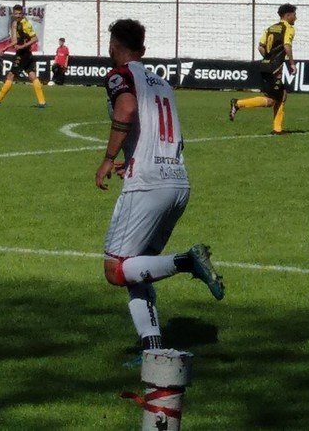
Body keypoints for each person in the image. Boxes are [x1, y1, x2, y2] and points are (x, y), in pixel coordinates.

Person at [95, 18, 224, 353]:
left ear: (112, 46)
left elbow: (125, 106)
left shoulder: (120, 75)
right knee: (139, 270)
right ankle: (152, 350)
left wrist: (109, 158)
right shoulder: (163, 84)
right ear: (144, 49)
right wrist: (132, 157)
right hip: (177, 182)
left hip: (148, 185)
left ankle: (186, 261)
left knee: (116, 269)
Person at [229, 3, 296, 135]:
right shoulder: (288, 28)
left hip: (265, 65)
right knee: (273, 100)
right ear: (287, 15)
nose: (295, 18)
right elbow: (287, 45)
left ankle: (277, 129)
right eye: (294, 15)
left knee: (281, 96)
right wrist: (292, 63)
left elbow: (260, 46)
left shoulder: (270, 28)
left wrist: (268, 58)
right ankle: (237, 103)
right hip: (274, 68)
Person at [0, 4, 46, 108]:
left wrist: (22, 46)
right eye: (16, 13)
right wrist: (5, 48)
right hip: (24, 53)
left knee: (11, 75)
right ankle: (42, 102)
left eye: (19, 13)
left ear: (22, 13)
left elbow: (35, 38)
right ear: (13, 13)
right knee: (32, 75)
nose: (18, 15)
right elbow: (15, 41)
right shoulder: (16, 24)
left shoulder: (25, 24)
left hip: (23, 54)